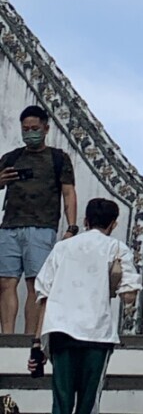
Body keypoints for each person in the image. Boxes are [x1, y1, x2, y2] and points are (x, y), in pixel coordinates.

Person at [30, 197, 141, 414]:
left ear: (85, 220)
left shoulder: (62, 248)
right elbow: (129, 296)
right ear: (113, 224)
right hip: (96, 334)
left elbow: (44, 296)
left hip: (60, 330)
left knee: (61, 403)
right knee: (88, 406)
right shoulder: (117, 249)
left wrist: (37, 343)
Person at [0, 105, 78, 334]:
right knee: (5, 283)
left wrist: (71, 227)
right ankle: (7, 336)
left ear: (46, 128)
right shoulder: (11, 158)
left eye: (34, 128)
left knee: (35, 285)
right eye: (25, 129)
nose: (30, 133)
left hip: (42, 228)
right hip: (9, 227)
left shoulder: (58, 158)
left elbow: (68, 193)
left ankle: (29, 337)